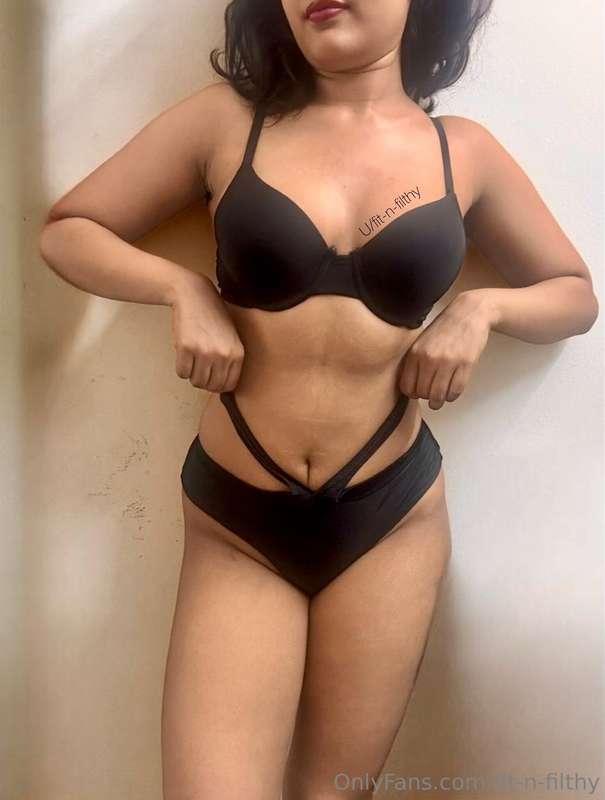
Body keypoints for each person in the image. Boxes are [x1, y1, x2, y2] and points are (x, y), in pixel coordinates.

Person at [39, 1, 599, 798]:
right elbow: (69, 229)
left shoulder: (462, 152)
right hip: (240, 523)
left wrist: (481, 311)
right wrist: (181, 289)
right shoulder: (226, 123)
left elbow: (573, 294)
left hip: (390, 521)